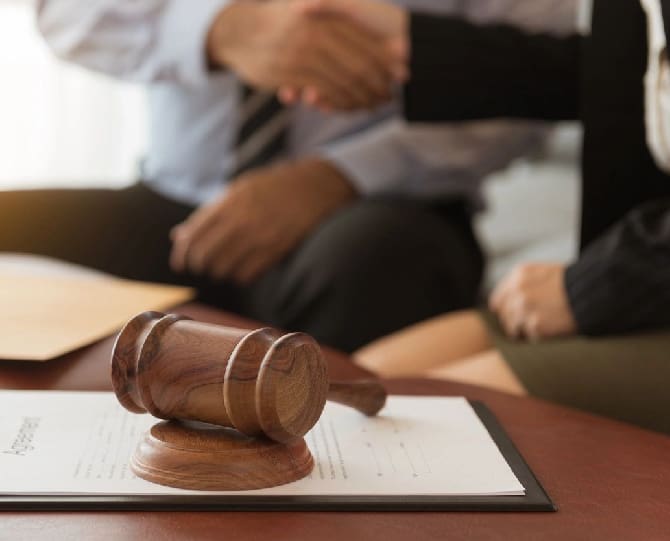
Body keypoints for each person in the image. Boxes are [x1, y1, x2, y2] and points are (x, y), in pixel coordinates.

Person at [0, 0, 575, 353]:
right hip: (177, 202)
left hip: (387, 207)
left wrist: (340, 175)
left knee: (376, 261)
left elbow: (537, 90)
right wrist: (220, 28)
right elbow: (65, 12)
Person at [295, 0, 670, 433]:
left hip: (644, 274)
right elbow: (620, 75)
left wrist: (594, 285)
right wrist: (408, 43)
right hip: (644, 279)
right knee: (358, 383)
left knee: (397, 419)